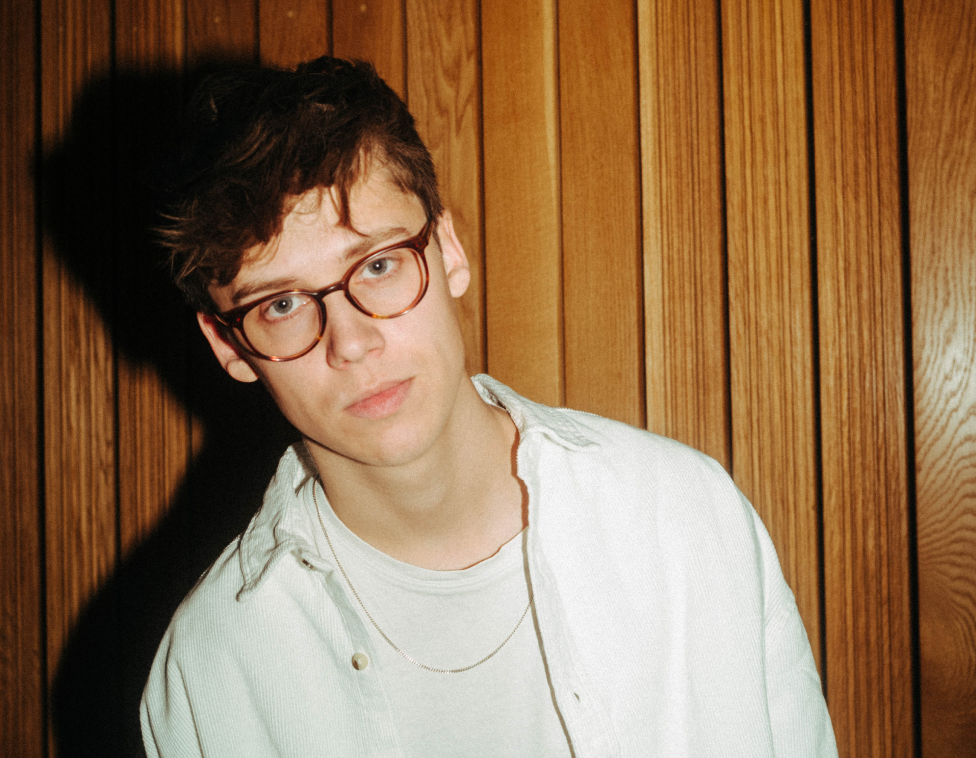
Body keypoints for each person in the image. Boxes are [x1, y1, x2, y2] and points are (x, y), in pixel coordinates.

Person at [140, 56, 837, 758]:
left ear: (447, 251)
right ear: (227, 344)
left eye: (379, 265)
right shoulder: (211, 670)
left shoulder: (683, 516)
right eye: (282, 305)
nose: (350, 343)